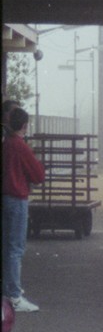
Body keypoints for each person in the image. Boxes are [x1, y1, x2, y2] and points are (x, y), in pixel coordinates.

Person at [2, 107, 45, 313]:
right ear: (25, 125)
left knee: (7, 245)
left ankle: (8, 288)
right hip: (18, 199)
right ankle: (14, 295)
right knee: (16, 248)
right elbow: (38, 175)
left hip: (4, 198)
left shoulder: (6, 144)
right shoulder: (21, 146)